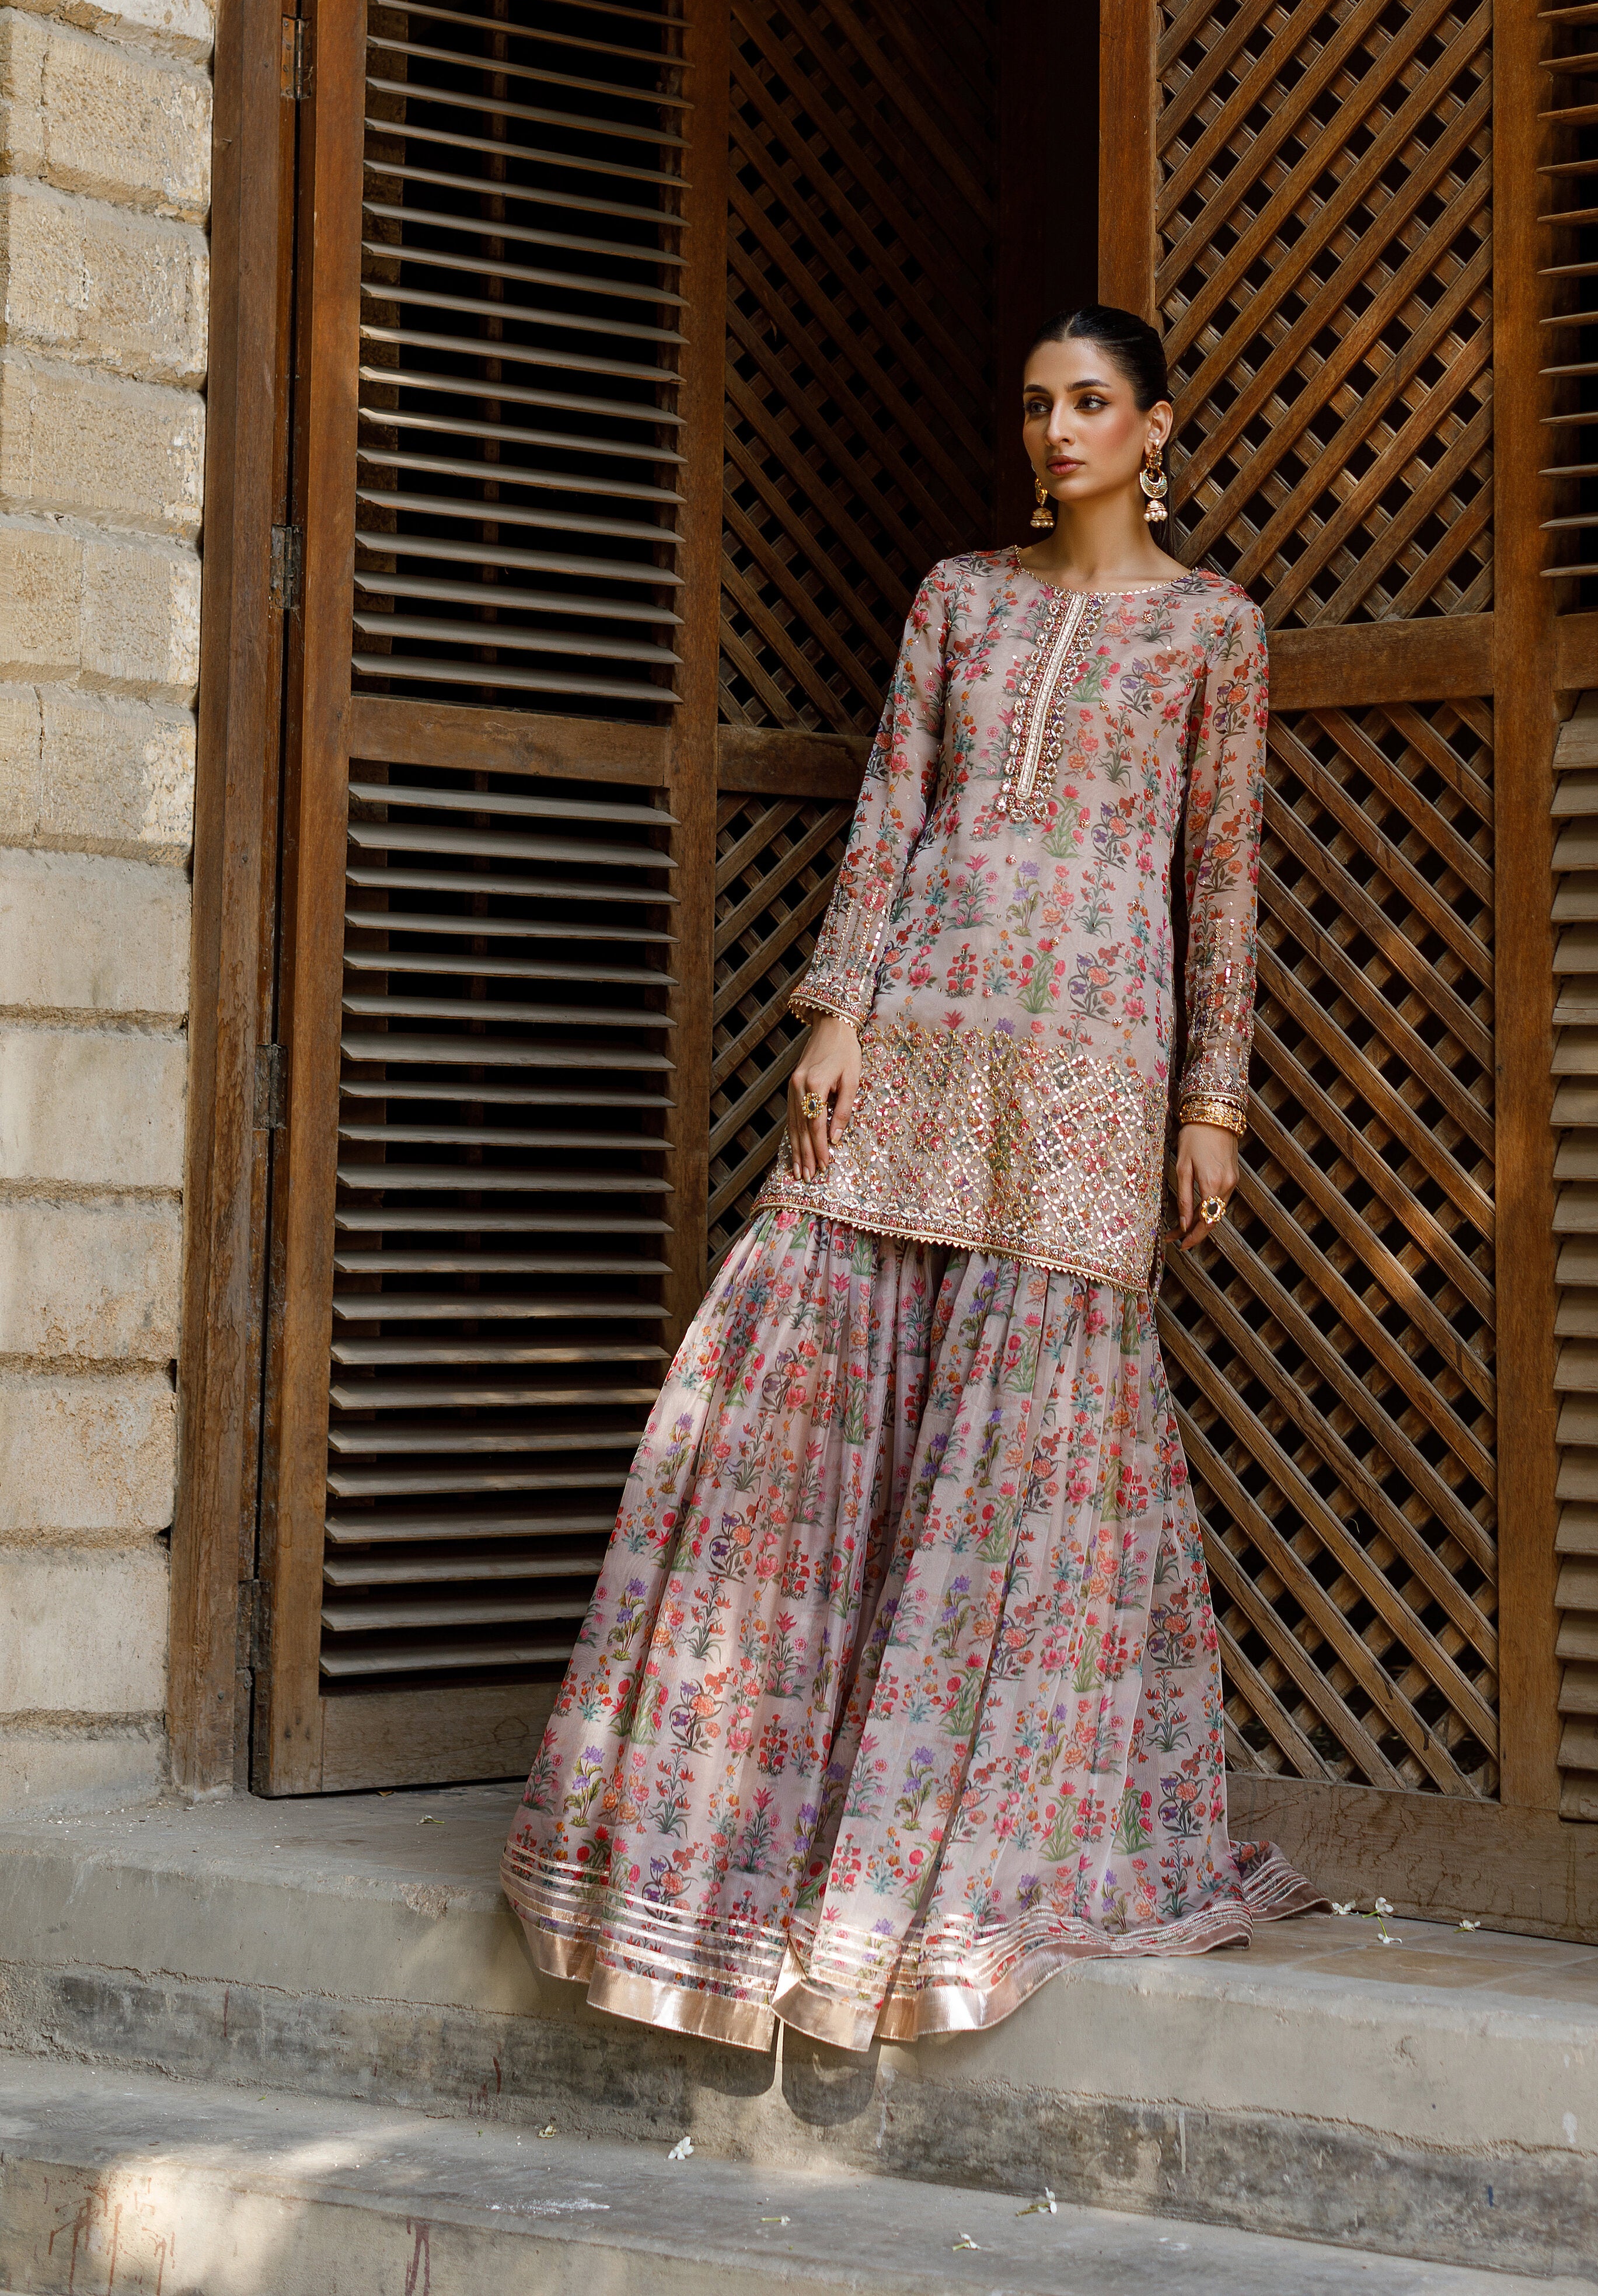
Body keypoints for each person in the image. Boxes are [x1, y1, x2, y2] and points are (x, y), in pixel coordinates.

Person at [500, 304, 1315, 2048]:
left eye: (1089, 403)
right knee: (810, 1370)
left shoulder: (1214, 633)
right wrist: (837, 1013)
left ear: (1158, 428)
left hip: (1095, 1041)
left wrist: (1212, 1105)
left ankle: (960, 1847)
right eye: (1033, 404)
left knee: (1031, 1424)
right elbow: (892, 812)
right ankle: (752, 1826)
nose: (1056, 431)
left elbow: (1220, 874)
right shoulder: (959, 598)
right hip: (926, 1015)